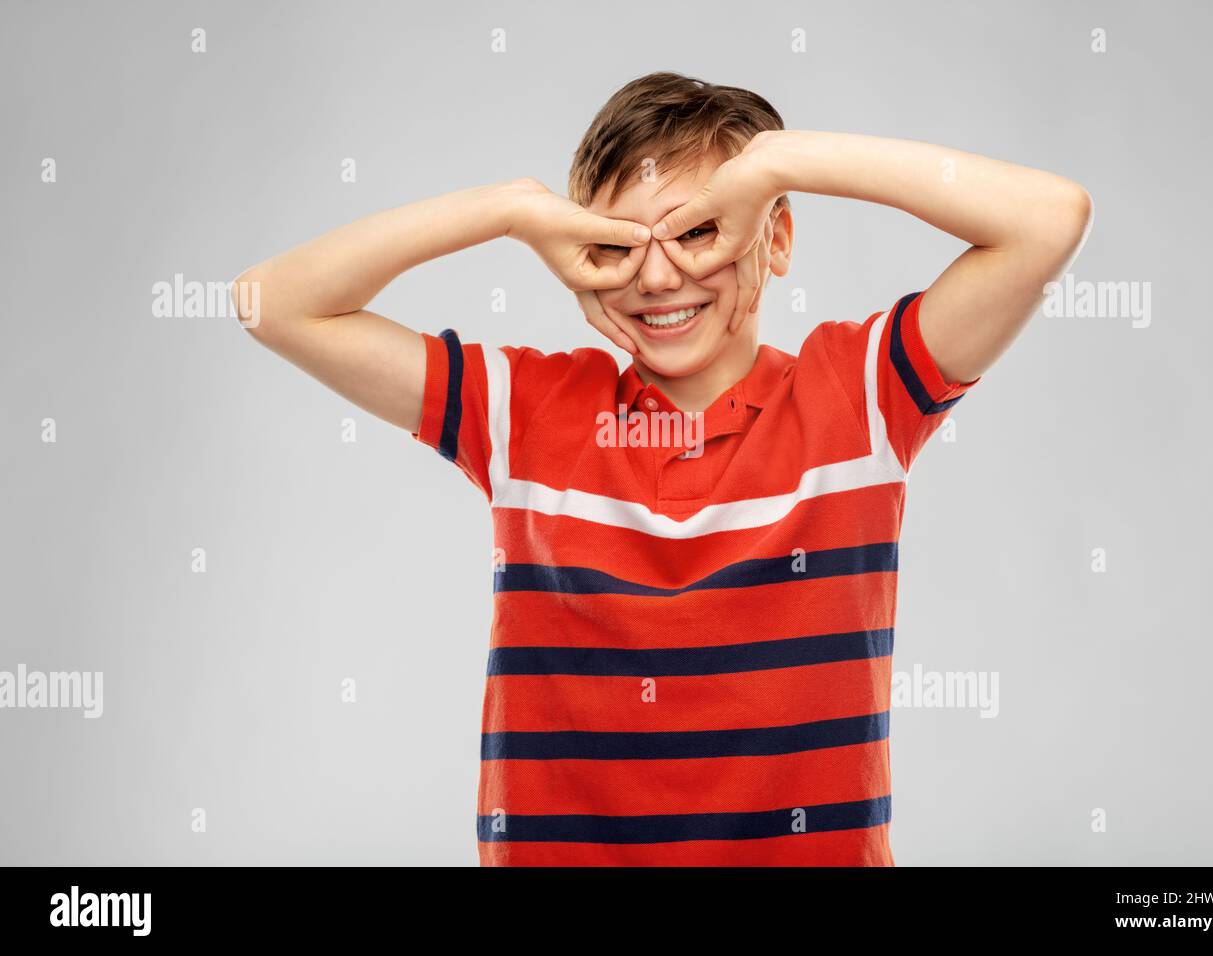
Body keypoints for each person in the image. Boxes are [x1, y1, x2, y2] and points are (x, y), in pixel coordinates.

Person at [233, 71, 1092, 866]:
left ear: (775, 235)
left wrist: (783, 161)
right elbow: (272, 302)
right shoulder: (525, 412)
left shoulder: (858, 398)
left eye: (698, 231)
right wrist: (507, 210)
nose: (656, 274)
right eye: (615, 245)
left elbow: (1049, 218)